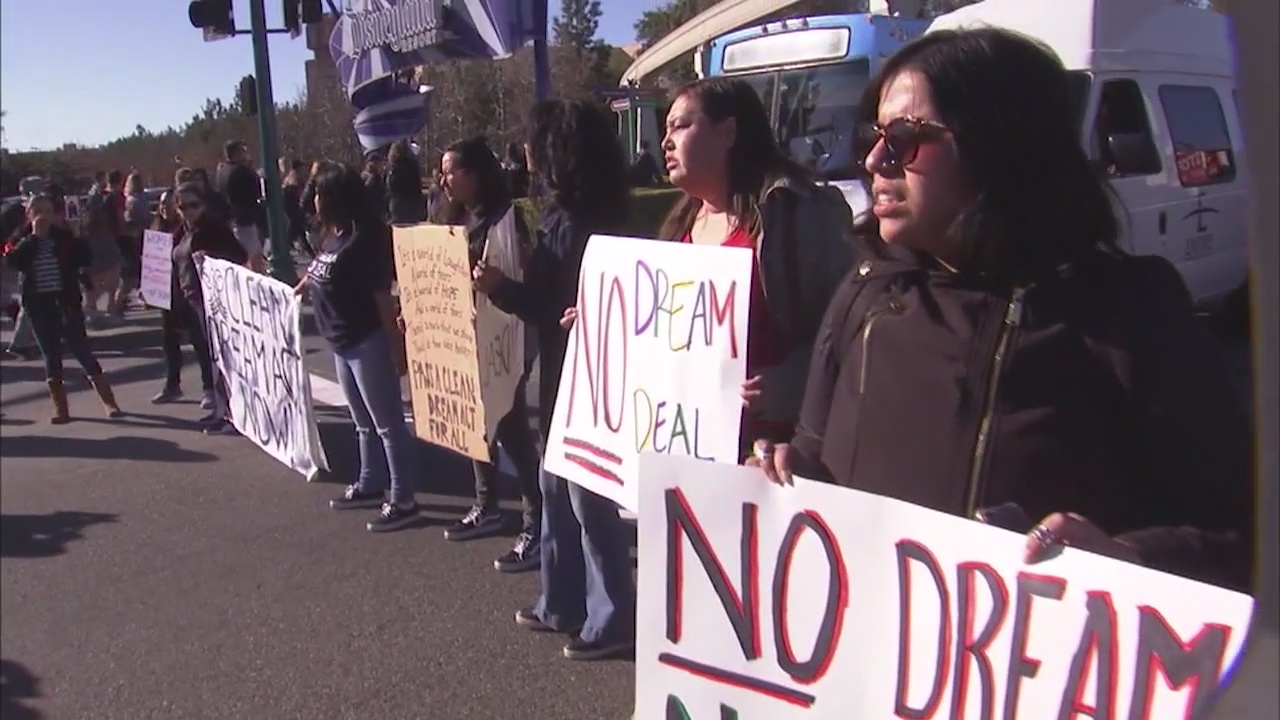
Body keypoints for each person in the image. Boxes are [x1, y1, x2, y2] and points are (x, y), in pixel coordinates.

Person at [749, 28, 1254, 592]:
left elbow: (1236, 534)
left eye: (904, 138)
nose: (873, 159)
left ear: (999, 145)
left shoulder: (1129, 311)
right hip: (868, 663)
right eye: (874, 135)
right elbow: (816, 452)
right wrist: (783, 470)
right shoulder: (866, 293)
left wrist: (1126, 556)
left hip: (1041, 669)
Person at [473, 100, 636, 660]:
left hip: (580, 375)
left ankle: (612, 615)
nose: (526, 153)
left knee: (586, 496)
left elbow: (548, 307)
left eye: (535, 143)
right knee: (553, 486)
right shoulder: (590, 211)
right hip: (575, 371)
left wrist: (498, 286)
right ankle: (562, 599)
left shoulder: (572, 223)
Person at [657, 76, 857, 450]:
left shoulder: (799, 212)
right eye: (666, 129)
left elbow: (851, 329)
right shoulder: (679, 223)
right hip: (691, 445)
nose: (665, 142)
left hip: (778, 450)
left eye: (680, 126)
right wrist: (601, 325)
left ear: (728, 131)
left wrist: (790, 384)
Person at [434, 136, 542, 571]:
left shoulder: (506, 221)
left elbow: (523, 278)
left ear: (475, 174)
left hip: (505, 340)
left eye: (451, 171)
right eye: (441, 172)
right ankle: (487, 505)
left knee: (511, 426)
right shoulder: (452, 219)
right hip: (465, 338)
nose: (443, 180)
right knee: (473, 423)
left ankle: (537, 524)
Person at [296, 164, 420, 533]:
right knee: (362, 422)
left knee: (387, 424)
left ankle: (403, 497)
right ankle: (370, 481)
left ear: (335, 199)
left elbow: (382, 299)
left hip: (367, 340)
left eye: (320, 194)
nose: (314, 200)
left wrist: (396, 349)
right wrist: (301, 285)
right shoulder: (334, 237)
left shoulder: (363, 241)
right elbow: (322, 270)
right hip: (341, 343)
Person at [6, 193, 121, 423]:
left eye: (48, 211)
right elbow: (13, 261)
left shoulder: (64, 236)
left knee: (82, 350)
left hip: (65, 302)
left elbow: (85, 258)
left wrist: (77, 235)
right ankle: (61, 408)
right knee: (51, 355)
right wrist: (35, 238)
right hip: (39, 306)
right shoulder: (21, 237)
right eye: (38, 211)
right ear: (29, 215)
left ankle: (109, 402)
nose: (44, 216)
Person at [171, 181, 249, 435]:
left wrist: (212, 258)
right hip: (191, 301)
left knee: (222, 359)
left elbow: (238, 256)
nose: (188, 211)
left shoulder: (214, 229)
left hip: (213, 302)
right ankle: (221, 410)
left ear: (203, 204)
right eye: (182, 206)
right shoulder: (181, 232)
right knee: (209, 358)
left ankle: (233, 414)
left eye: (193, 205)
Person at [150, 189, 216, 407]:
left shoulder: (186, 232)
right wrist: (148, 287)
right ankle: (172, 385)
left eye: (170, 205)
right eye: (162, 205)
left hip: (188, 294)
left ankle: (209, 387)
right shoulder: (157, 232)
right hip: (168, 295)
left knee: (200, 342)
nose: (165, 209)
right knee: (169, 343)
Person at [81, 169, 124, 325]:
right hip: (101, 242)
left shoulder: (98, 198)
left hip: (100, 241)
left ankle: (99, 309)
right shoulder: (102, 198)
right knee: (103, 277)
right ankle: (102, 309)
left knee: (101, 278)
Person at [214, 141, 264, 265]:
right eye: (243, 151)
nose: (245, 154)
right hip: (245, 217)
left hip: (230, 218)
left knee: (238, 254)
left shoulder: (222, 171)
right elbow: (256, 190)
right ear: (236, 153)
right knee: (253, 254)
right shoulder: (242, 171)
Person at [386, 140, 426, 225]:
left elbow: (391, 187)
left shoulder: (394, 169)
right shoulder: (413, 166)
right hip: (414, 205)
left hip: (399, 205)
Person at [281, 161, 314, 259]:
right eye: (302, 168)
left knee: (299, 232)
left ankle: (310, 253)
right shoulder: (294, 179)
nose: (304, 171)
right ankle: (284, 252)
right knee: (294, 232)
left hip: (294, 209)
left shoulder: (291, 178)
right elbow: (293, 195)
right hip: (293, 209)